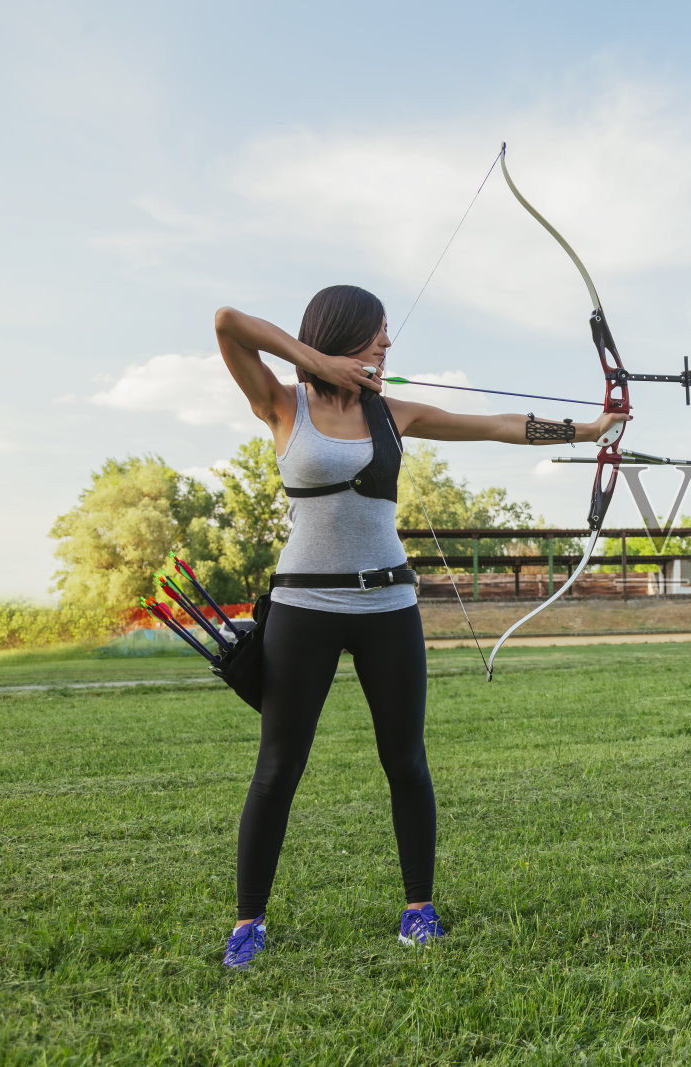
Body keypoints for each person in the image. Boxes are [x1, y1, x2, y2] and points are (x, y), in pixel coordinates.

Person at [213, 284, 623, 971]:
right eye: (376, 331)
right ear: (341, 332)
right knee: (279, 765)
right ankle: (248, 922)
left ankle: (417, 910)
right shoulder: (283, 403)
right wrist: (316, 362)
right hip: (304, 609)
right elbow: (228, 323)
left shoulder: (391, 413)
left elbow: (495, 425)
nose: (387, 343)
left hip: (389, 608)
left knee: (405, 759)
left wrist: (587, 430)